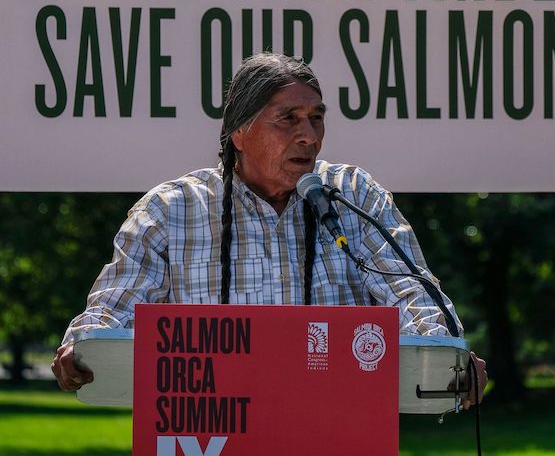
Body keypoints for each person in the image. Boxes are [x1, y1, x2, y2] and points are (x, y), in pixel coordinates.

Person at [52, 52, 487, 403]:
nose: (309, 135)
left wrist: (444, 350)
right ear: (239, 131)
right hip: (213, 430)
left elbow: (412, 292)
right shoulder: (171, 210)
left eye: (316, 117)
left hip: (336, 424)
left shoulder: (354, 196)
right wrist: (82, 346)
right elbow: (113, 310)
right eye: (289, 118)